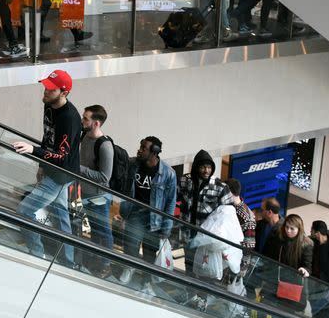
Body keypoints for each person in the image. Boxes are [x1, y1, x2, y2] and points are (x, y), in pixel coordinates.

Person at [14, 69, 82, 265]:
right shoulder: (49, 105)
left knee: (25, 211)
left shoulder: (69, 118)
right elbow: (47, 137)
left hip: (60, 174)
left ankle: (37, 254)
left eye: (51, 89)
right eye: (45, 86)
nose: (45, 91)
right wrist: (41, 164)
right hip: (51, 170)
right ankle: (69, 262)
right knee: (62, 219)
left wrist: (33, 151)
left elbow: (62, 157)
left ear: (64, 93)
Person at [119, 136, 178, 285]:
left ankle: (146, 282)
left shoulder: (168, 173)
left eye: (144, 148)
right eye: (141, 146)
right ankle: (129, 268)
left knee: (149, 253)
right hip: (135, 213)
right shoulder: (133, 164)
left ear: (154, 152)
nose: (139, 150)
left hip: (155, 217)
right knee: (131, 245)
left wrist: (167, 227)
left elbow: (170, 202)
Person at [178, 150, 233, 273]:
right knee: (189, 266)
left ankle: (203, 292)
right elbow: (178, 196)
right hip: (188, 234)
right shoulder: (186, 181)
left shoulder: (220, 187)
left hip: (206, 238)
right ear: (196, 167)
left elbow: (228, 213)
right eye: (203, 167)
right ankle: (190, 291)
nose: (206, 170)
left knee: (206, 270)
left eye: (209, 167)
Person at [78, 104, 114, 278]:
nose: (82, 120)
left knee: (104, 232)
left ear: (97, 123)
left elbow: (104, 177)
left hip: (99, 197)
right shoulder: (85, 136)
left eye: (86, 118)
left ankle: (106, 265)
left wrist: (79, 169)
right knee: (93, 229)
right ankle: (95, 260)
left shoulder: (105, 146)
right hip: (85, 194)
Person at [260, 213, 313, 313]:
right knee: (264, 303)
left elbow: (307, 265)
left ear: (299, 229)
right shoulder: (279, 238)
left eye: (292, 229)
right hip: (275, 279)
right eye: (287, 227)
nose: (288, 231)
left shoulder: (305, 245)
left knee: (287, 311)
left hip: (291, 284)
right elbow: (270, 255)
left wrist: (305, 270)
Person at [224, 178, 256, 251]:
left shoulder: (247, 218)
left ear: (229, 193)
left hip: (235, 257)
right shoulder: (229, 207)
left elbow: (248, 246)